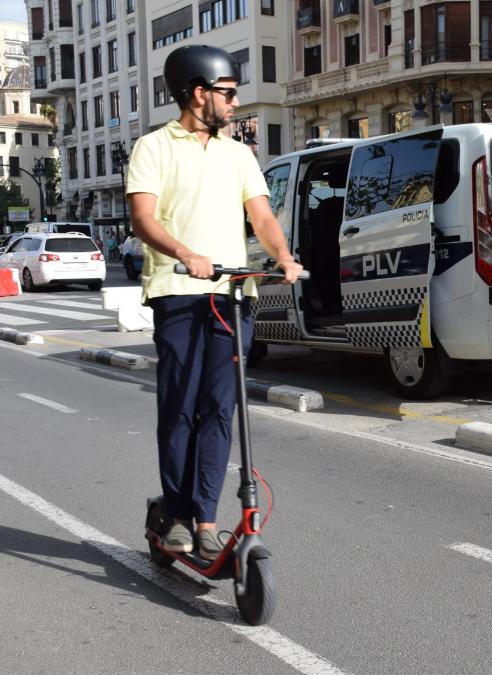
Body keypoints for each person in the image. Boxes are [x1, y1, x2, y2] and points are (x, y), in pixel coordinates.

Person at [126, 45, 303, 560]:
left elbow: (263, 218)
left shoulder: (239, 154)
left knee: (220, 411)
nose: (235, 101)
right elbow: (143, 219)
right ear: (198, 93)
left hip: (230, 297)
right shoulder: (154, 148)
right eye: (227, 93)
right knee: (180, 409)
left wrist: (284, 257)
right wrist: (186, 253)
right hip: (179, 293)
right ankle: (177, 517)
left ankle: (207, 518)